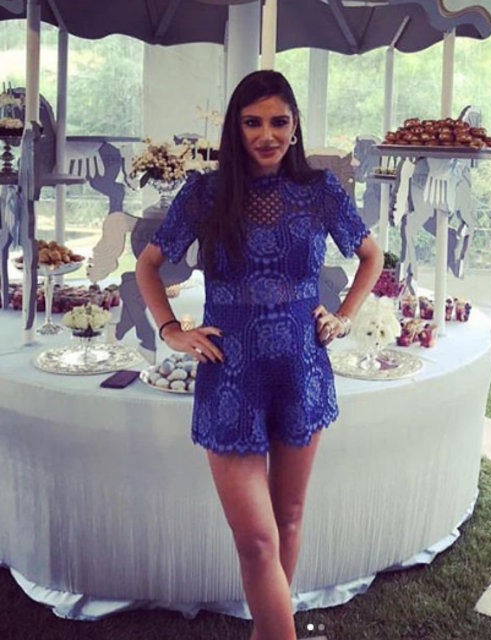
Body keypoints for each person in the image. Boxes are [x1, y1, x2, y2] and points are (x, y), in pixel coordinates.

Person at [136, 70, 383, 640]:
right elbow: (148, 265)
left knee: (289, 518)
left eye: (278, 121)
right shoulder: (205, 193)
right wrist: (171, 329)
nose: (267, 135)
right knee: (256, 539)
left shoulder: (321, 191)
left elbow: (371, 255)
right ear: (236, 127)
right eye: (253, 122)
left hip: (301, 370)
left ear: (295, 127)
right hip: (231, 378)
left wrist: (343, 315)